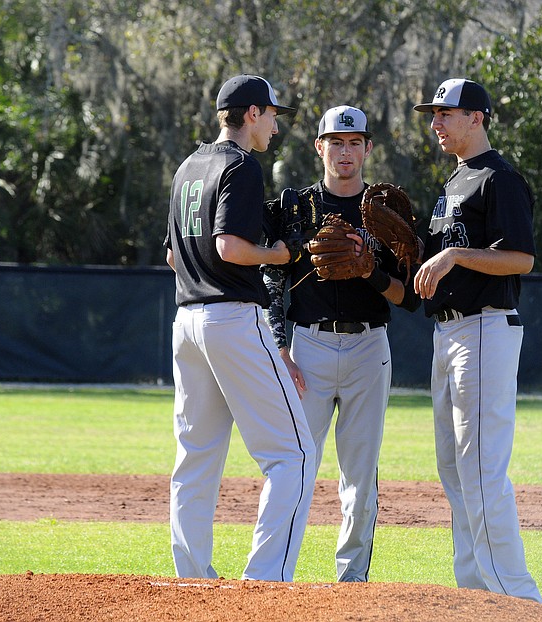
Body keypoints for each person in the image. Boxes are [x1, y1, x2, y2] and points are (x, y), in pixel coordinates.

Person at [163, 74, 317, 582]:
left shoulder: (189, 166)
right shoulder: (241, 165)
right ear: (252, 113)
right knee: (293, 454)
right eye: (272, 114)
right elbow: (231, 248)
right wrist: (280, 253)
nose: (275, 124)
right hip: (232, 317)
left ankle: (192, 579)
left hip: (186, 321)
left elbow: (171, 254)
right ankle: (265, 583)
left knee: (196, 458)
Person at [262, 105, 420, 582]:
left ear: (368, 148)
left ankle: (352, 582)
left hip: (369, 348)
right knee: (294, 466)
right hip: (307, 347)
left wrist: (371, 270)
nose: (345, 152)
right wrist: (280, 346)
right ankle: (274, 575)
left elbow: (408, 298)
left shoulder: (385, 210)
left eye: (354, 143)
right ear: (320, 147)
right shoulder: (296, 207)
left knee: (360, 475)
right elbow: (270, 275)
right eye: (336, 142)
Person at [412, 78, 542, 602]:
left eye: (446, 113)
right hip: (449, 331)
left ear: (477, 119)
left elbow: (521, 259)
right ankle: (474, 594)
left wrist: (454, 256)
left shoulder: (499, 180)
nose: (436, 122)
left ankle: (517, 597)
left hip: (485, 328)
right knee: (454, 468)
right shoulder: (454, 183)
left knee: (482, 466)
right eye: (434, 113)